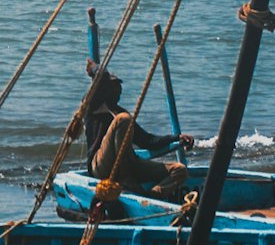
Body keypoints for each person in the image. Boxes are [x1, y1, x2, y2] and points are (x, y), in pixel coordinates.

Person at [83, 58, 194, 199]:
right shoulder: (93, 107)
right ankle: (125, 178)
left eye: (119, 89)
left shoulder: (120, 113)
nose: (118, 92)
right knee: (123, 119)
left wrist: (177, 137)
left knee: (179, 170)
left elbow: (147, 140)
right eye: (114, 88)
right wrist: (95, 68)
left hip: (129, 165)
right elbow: (102, 78)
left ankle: (152, 198)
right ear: (105, 90)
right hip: (101, 166)